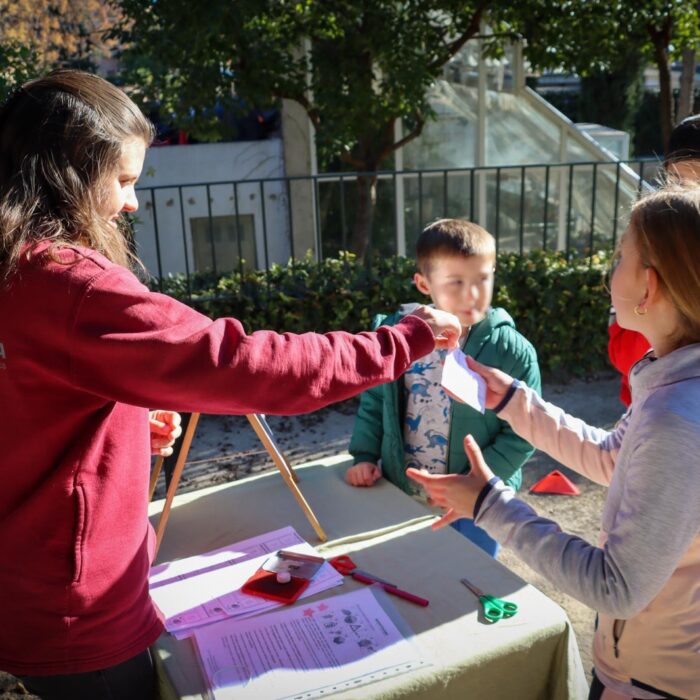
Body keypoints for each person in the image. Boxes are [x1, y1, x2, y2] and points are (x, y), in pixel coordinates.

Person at [0, 71, 462, 700]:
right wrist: (400, 340)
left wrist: (126, 424)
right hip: (77, 611)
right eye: (124, 180)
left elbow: (36, 415)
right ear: (73, 172)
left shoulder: (17, 270)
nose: (132, 203)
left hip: (32, 581)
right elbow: (241, 364)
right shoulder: (70, 285)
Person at [408, 185, 700, 700]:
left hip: (654, 685)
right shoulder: (671, 379)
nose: (609, 272)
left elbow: (617, 588)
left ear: (648, 287)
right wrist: (515, 402)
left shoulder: (677, 418)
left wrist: (489, 504)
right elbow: (613, 458)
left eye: (619, 258)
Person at [346, 219, 541, 557]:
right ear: (424, 284)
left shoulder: (512, 350)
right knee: (417, 573)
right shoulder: (398, 339)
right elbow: (375, 401)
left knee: (473, 574)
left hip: (478, 502)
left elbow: (525, 432)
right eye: (456, 282)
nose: (473, 294)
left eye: (483, 278)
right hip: (405, 490)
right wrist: (364, 456)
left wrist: (475, 483)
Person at [607, 113, 700, 406]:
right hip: (644, 407)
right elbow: (621, 350)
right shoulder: (647, 242)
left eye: (696, 182)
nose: (683, 196)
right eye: (676, 181)